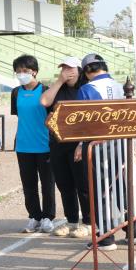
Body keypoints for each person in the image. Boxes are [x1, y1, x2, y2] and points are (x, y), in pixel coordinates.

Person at [76, 53, 126, 251]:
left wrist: (80, 144)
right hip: (120, 142)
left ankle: (106, 237)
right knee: (121, 185)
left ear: (87, 71)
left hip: (98, 144)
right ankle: (134, 230)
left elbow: (83, 121)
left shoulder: (87, 89)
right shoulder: (120, 86)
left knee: (100, 189)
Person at [40, 57, 90, 238]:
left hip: (79, 144)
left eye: (71, 68)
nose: (67, 72)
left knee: (83, 185)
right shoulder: (57, 88)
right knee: (64, 184)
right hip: (58, 143)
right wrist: (59, 81)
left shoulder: (85, 89)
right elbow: (44, 102)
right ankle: (71, 221)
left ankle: (89, 222)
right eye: (64, 68)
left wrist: (82, 143)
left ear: (79, 70)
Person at [10, 55, 56, 234]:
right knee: (28, 185)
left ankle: (47, 217)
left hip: (45, 146)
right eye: (18, 71)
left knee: (47, 184)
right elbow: (19, 115)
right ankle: (34, 216)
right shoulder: (16, 93)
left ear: (34, 71)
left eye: (25, 71)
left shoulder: (45, 91)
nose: (21, 74)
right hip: (23, 146)